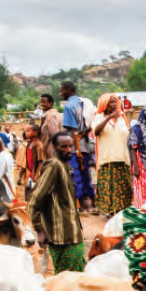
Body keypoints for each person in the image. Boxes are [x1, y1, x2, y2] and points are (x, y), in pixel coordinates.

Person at [28, 132, 85, 273]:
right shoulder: (53, 167)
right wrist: (39, 230)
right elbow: (35, 200)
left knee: (74, 277)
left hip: (71, 232)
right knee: (68, 278)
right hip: (61, 236)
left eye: (70, 146)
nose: (68, 150)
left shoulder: (65, 166)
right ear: (54, 147)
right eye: (63, 147)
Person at [92, 93, 132, 216]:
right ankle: (109, 212)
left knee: (123, 186)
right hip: (106, 158)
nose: (114, 105)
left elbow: (127, 136)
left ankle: (121, 211)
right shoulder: (98, 117)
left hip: (122, 157)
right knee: (107, 186)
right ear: (104, 104)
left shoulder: (122, 118)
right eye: (111, 102)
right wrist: (108, 118)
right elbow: (96, 132)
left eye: (115, 102)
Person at [59, 81, 95, 213]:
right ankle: (91, 205)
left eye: (61, 90)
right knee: (86, 175)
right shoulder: (83, 103)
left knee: (76, 176)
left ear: (68, 90)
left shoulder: (69, 106)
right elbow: (90, 125)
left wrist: (77, 150)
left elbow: (73, 131)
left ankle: (81, 207)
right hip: (85, 145)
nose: (60, 93)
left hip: (74, 148)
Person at [17, 124, 45, 192]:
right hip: (29, 174)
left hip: (35, 175)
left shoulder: (39, 145)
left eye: (28, 131)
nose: (25, 133)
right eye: (25, 131)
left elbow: (41, 162)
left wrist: (36, 176)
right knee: (28, 194)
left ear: (35, 133)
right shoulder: (29, 144)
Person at [39, 93, 62, 158]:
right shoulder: (55, 114)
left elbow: (54, 134)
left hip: (51, 150)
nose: (41, 104)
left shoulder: (50, 116)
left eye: (44, 102)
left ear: (51, 103)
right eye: (41, 102)